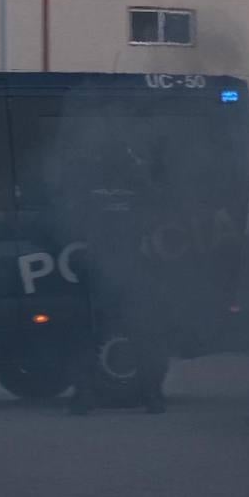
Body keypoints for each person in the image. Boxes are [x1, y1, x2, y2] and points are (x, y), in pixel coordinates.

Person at [69, 136, 171, 415]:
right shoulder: (132, 181)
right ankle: (150, 395)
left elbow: (73, 217)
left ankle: (88, 396)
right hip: (118, 268)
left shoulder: (97, 182)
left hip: (114, 269)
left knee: (96, 334)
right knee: (139, 334)